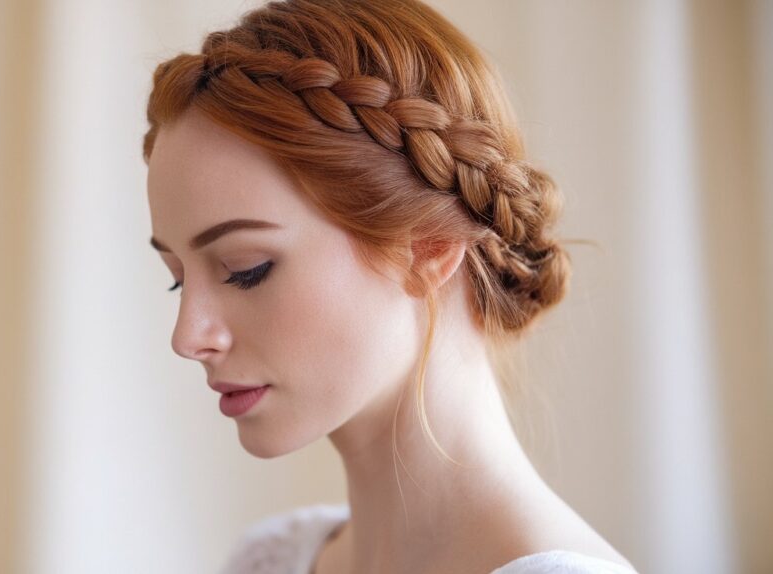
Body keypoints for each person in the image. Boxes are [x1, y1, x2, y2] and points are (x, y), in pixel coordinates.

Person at [143, 1, 638, 572]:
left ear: (428, 248)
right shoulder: (267, 560)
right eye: (177, 281)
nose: (188, 338)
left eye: (245, 268)